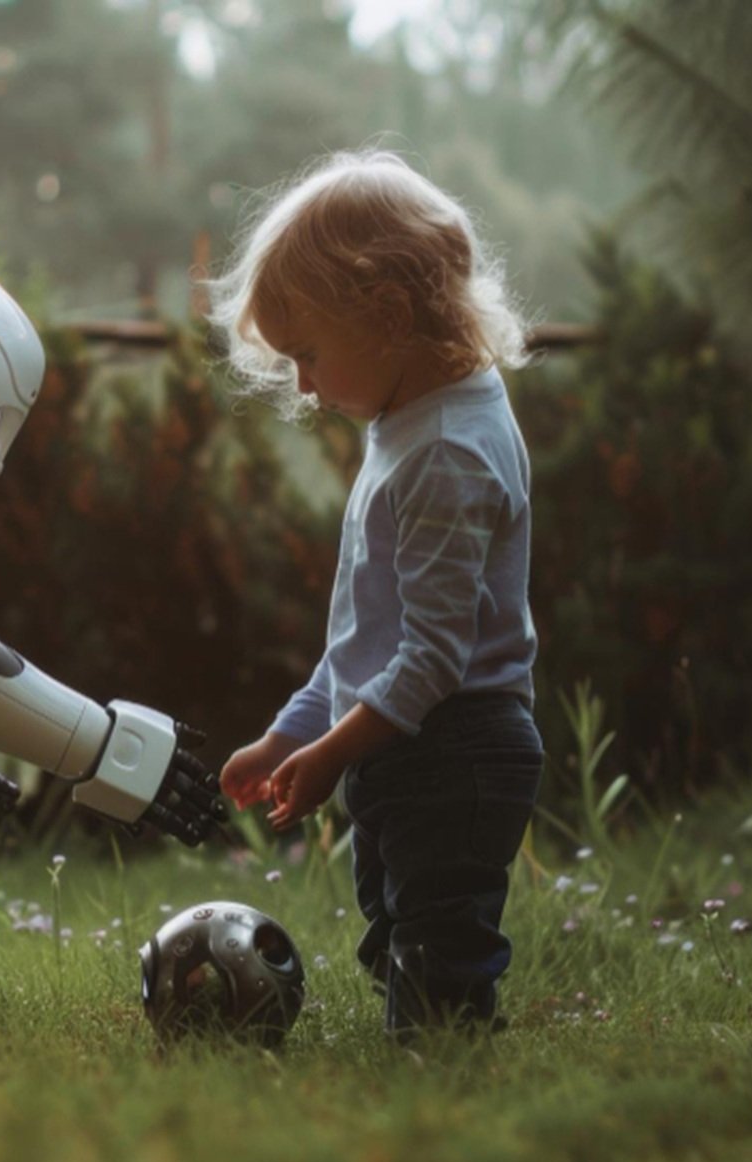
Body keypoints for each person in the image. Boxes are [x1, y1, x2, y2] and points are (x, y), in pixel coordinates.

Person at [210, 149, 543, 1037]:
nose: (306, 386)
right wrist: (294, 728)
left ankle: (446, 1070)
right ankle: (433, 1048)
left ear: (389, 313)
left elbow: (433, 658)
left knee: (437, 945)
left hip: (456, 746)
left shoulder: (443, 452)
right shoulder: (417, 423)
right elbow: (371, 634)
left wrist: (327, 757)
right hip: (411, 744)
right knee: (398, 930)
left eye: (310, 356)